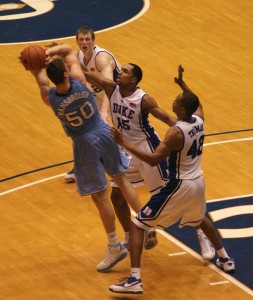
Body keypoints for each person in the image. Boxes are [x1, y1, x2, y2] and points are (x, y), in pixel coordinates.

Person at [108, 65, 235, 294]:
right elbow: (199, 103)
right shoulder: (199, 120)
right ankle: (225, 258)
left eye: (177, 101)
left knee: (138, 226)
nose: (173, 102)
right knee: (199, 218)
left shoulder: (176, 132)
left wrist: (123, 143)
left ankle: (135, 280)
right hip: (198, 181)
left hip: (180, 185)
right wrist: (182, 84)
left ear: (182, 110)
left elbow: (154, 159)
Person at [19, 43, 142, 273]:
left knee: (99, 196)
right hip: (103, 131)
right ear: (66, 73)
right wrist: (50, 53)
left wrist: (33, 66)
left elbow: (39, 77)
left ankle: (114, 245)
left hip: (84, 143)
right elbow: (68, 51)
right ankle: (145, 222)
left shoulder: (50, 97)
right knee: (122, 179)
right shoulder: (79, 80)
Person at [83, 63, 216, 259]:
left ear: (134, 80)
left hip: (146, 148)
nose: (120, 72)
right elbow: (87, 76)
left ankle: (200, 232)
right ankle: (130, 235)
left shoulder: (143, 100)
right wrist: (65, 66)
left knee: (178, 195)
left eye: (125, 71)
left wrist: (189, 132)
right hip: (124, 149)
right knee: (117, 197)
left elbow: (167, 118)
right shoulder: (112, 89)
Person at [65, 25, 121, 182]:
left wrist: (104, 112)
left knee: (123, 132)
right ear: (77, 42)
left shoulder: (101, 58)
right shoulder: (79, 57)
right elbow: (84, 81)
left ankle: (123, 164)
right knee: (86, 129)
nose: (84, 42)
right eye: (81, 39)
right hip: (99, 94)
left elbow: (110, 87)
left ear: (93, 40)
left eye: (87, 39)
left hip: (119, 95)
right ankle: (84, 165)